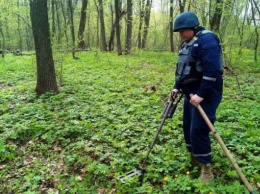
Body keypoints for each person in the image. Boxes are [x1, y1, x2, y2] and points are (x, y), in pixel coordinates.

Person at [170, 11, 224, 184]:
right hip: (190, 93)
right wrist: (177, 87)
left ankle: (206, 167)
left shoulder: (208, 40)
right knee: (188, 126)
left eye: (183, 31)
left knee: (198, 129)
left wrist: (201, 94)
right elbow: (183, 68)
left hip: (206, 93)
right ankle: (195, 157)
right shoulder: (188, 43)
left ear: (193, 27)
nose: (181, 35)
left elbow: (212, 70)